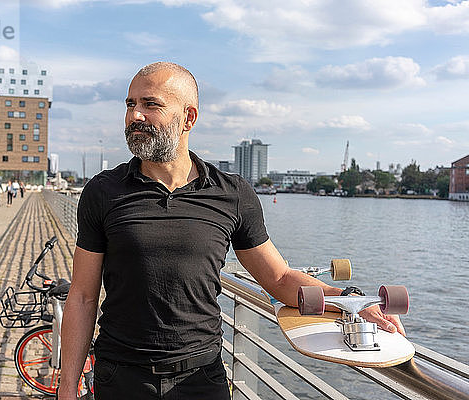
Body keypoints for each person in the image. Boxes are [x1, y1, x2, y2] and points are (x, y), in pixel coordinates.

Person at [57, 62, 405, 400]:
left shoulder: (232, 194)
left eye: (151, 105)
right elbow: (83, 296)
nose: (135, 115)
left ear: (188, 118)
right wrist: (67, 385)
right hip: (120, 376)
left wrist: (348, 302)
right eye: (131, 104)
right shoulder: (104, 191)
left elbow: (280, 278)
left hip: (201, 377)